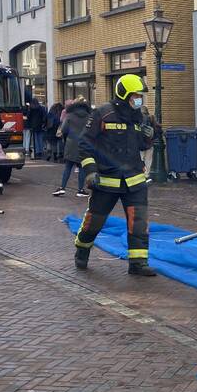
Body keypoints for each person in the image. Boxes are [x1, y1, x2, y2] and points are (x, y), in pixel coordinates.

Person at [73, 74, 157, 277]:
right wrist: (91, 171)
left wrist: (148, 137)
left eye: (140, 96)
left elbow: (141, 145)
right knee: (95, 221)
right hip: (107, 181)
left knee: (138, 223)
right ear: (124, 94)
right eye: (136, 95)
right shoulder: (102, 114)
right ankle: (82, 249)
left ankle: (138, 263)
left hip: (135, 180)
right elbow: (85, 144)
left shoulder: (139, 116)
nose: (139, 99)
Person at [52, 97, 91, 197]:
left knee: (68, 167)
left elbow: (64, 130)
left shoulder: (69, 115)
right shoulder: (88, 116)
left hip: (71, 143)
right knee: (82, 167)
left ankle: (62, 187)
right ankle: (80, 190)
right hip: (83, 144)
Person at [140, 105, 162, 174]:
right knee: (148, 161)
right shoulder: (151, 118)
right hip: (150, 143)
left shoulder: (139, 119)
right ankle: (146, 175)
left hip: (141, 144)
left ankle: (141, 175)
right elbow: (158, 130)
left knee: (141, 159)